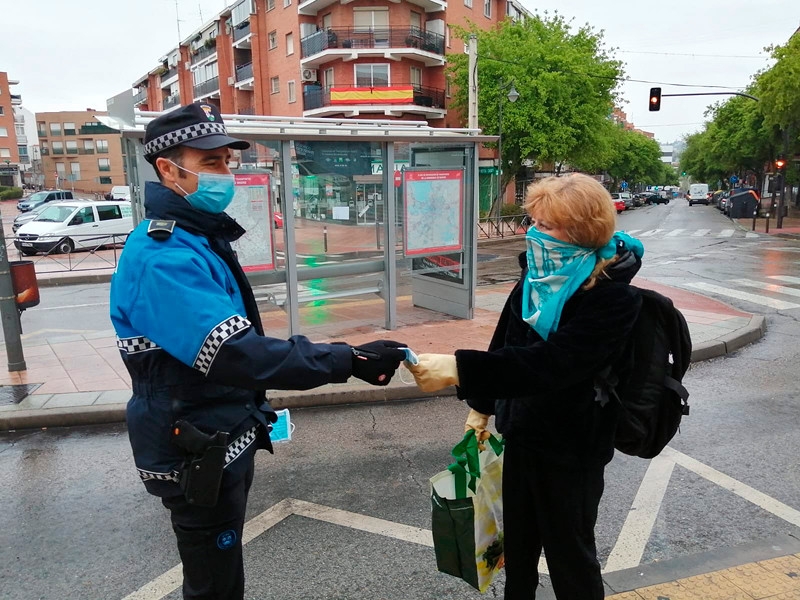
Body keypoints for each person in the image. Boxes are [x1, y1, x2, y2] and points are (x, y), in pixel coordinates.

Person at [109, 102, 406, 600]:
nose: (226, 174)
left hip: (213, 435)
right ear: (166, 169)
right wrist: (346, 360)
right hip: (192, 449)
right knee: (214, 586)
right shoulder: (164, 257)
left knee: (219, 575)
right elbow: (235, 354)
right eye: (210, 164)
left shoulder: (196, 239)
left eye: (228, 161)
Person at [409, 174, 644, 600]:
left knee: (570, 558)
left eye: (547, 225)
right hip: (522, 438)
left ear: (582, 230)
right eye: (533, 221)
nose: (534, 232)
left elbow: (553, 364)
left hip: (573, 451)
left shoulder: (614, 298)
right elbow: (506, 340)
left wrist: (459, 367)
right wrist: (480, 409)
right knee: (517, 555)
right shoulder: (536, 276)